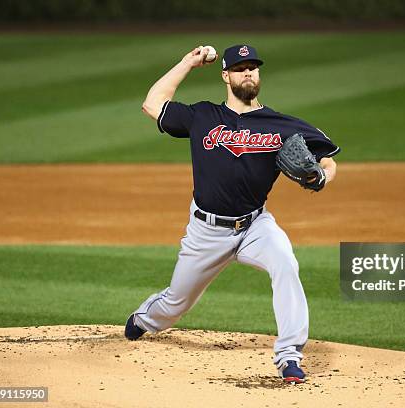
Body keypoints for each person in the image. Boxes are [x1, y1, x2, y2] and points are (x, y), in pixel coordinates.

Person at [125, 44, 340, 384]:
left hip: (255, 225)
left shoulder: (282, 125)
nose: (248, 73)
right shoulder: (202, 116)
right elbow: (152, 104)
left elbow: (328, 159)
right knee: (175, 305)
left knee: (285, 262)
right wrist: (187, 63)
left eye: (253, 67)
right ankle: (144, 320)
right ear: (226, 75)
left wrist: (322, 176)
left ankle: (288, 356)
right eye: (240, 68)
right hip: (206, 232)